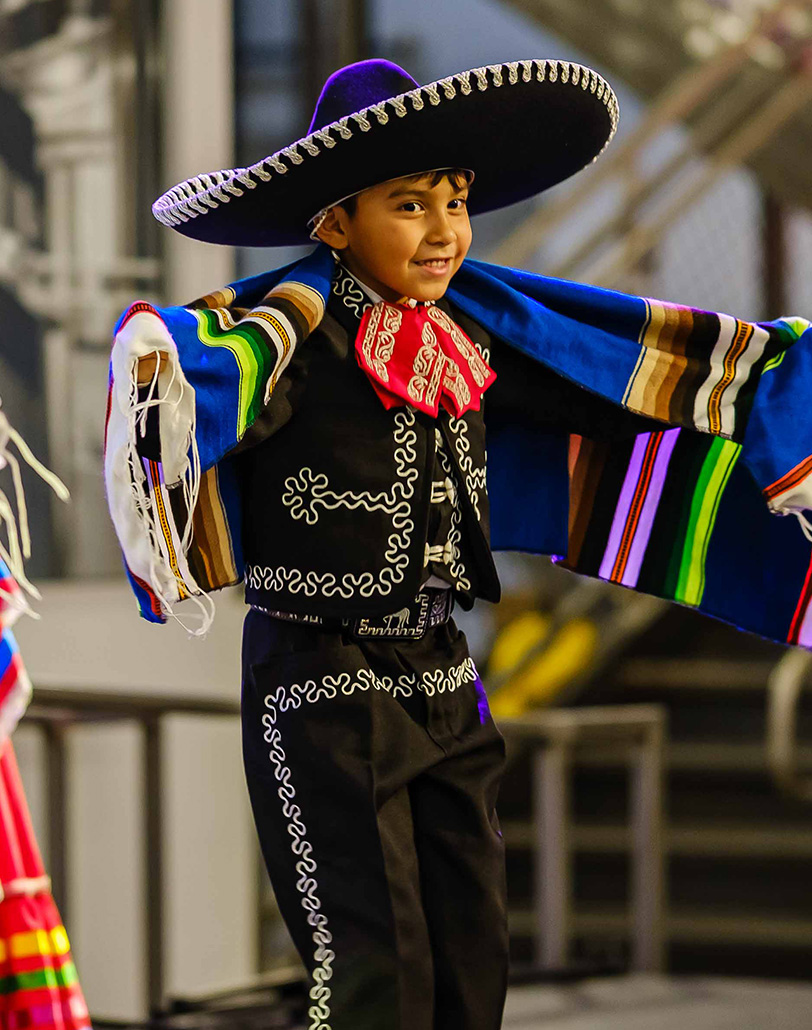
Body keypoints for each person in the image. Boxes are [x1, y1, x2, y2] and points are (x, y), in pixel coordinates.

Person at [105, 58, 812, 1030]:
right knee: (370, 964)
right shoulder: (287, 339)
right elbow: (198, 392)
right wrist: (163, 377)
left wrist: (759, 378)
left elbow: (605, 379)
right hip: (320, 677)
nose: (443, 231)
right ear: (334, 224)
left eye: (455, 203)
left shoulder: (472, 338)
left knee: (473, 951)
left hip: (444, 670)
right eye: (409, 205)